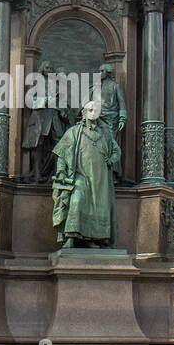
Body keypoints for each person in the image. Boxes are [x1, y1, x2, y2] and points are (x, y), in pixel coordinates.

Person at [52, 100, 121, 248]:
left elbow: (117, 150)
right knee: (76, 200)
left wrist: (111, 160)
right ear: (83, 113)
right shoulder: (74, 132)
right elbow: (62, 154)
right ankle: (70, 236)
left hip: (100, 179)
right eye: (89, 110)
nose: (92, 113)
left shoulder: (106, 134)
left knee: (99, 207)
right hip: (80, 175)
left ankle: (94, 239)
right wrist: (61, 172)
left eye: (95, 111)